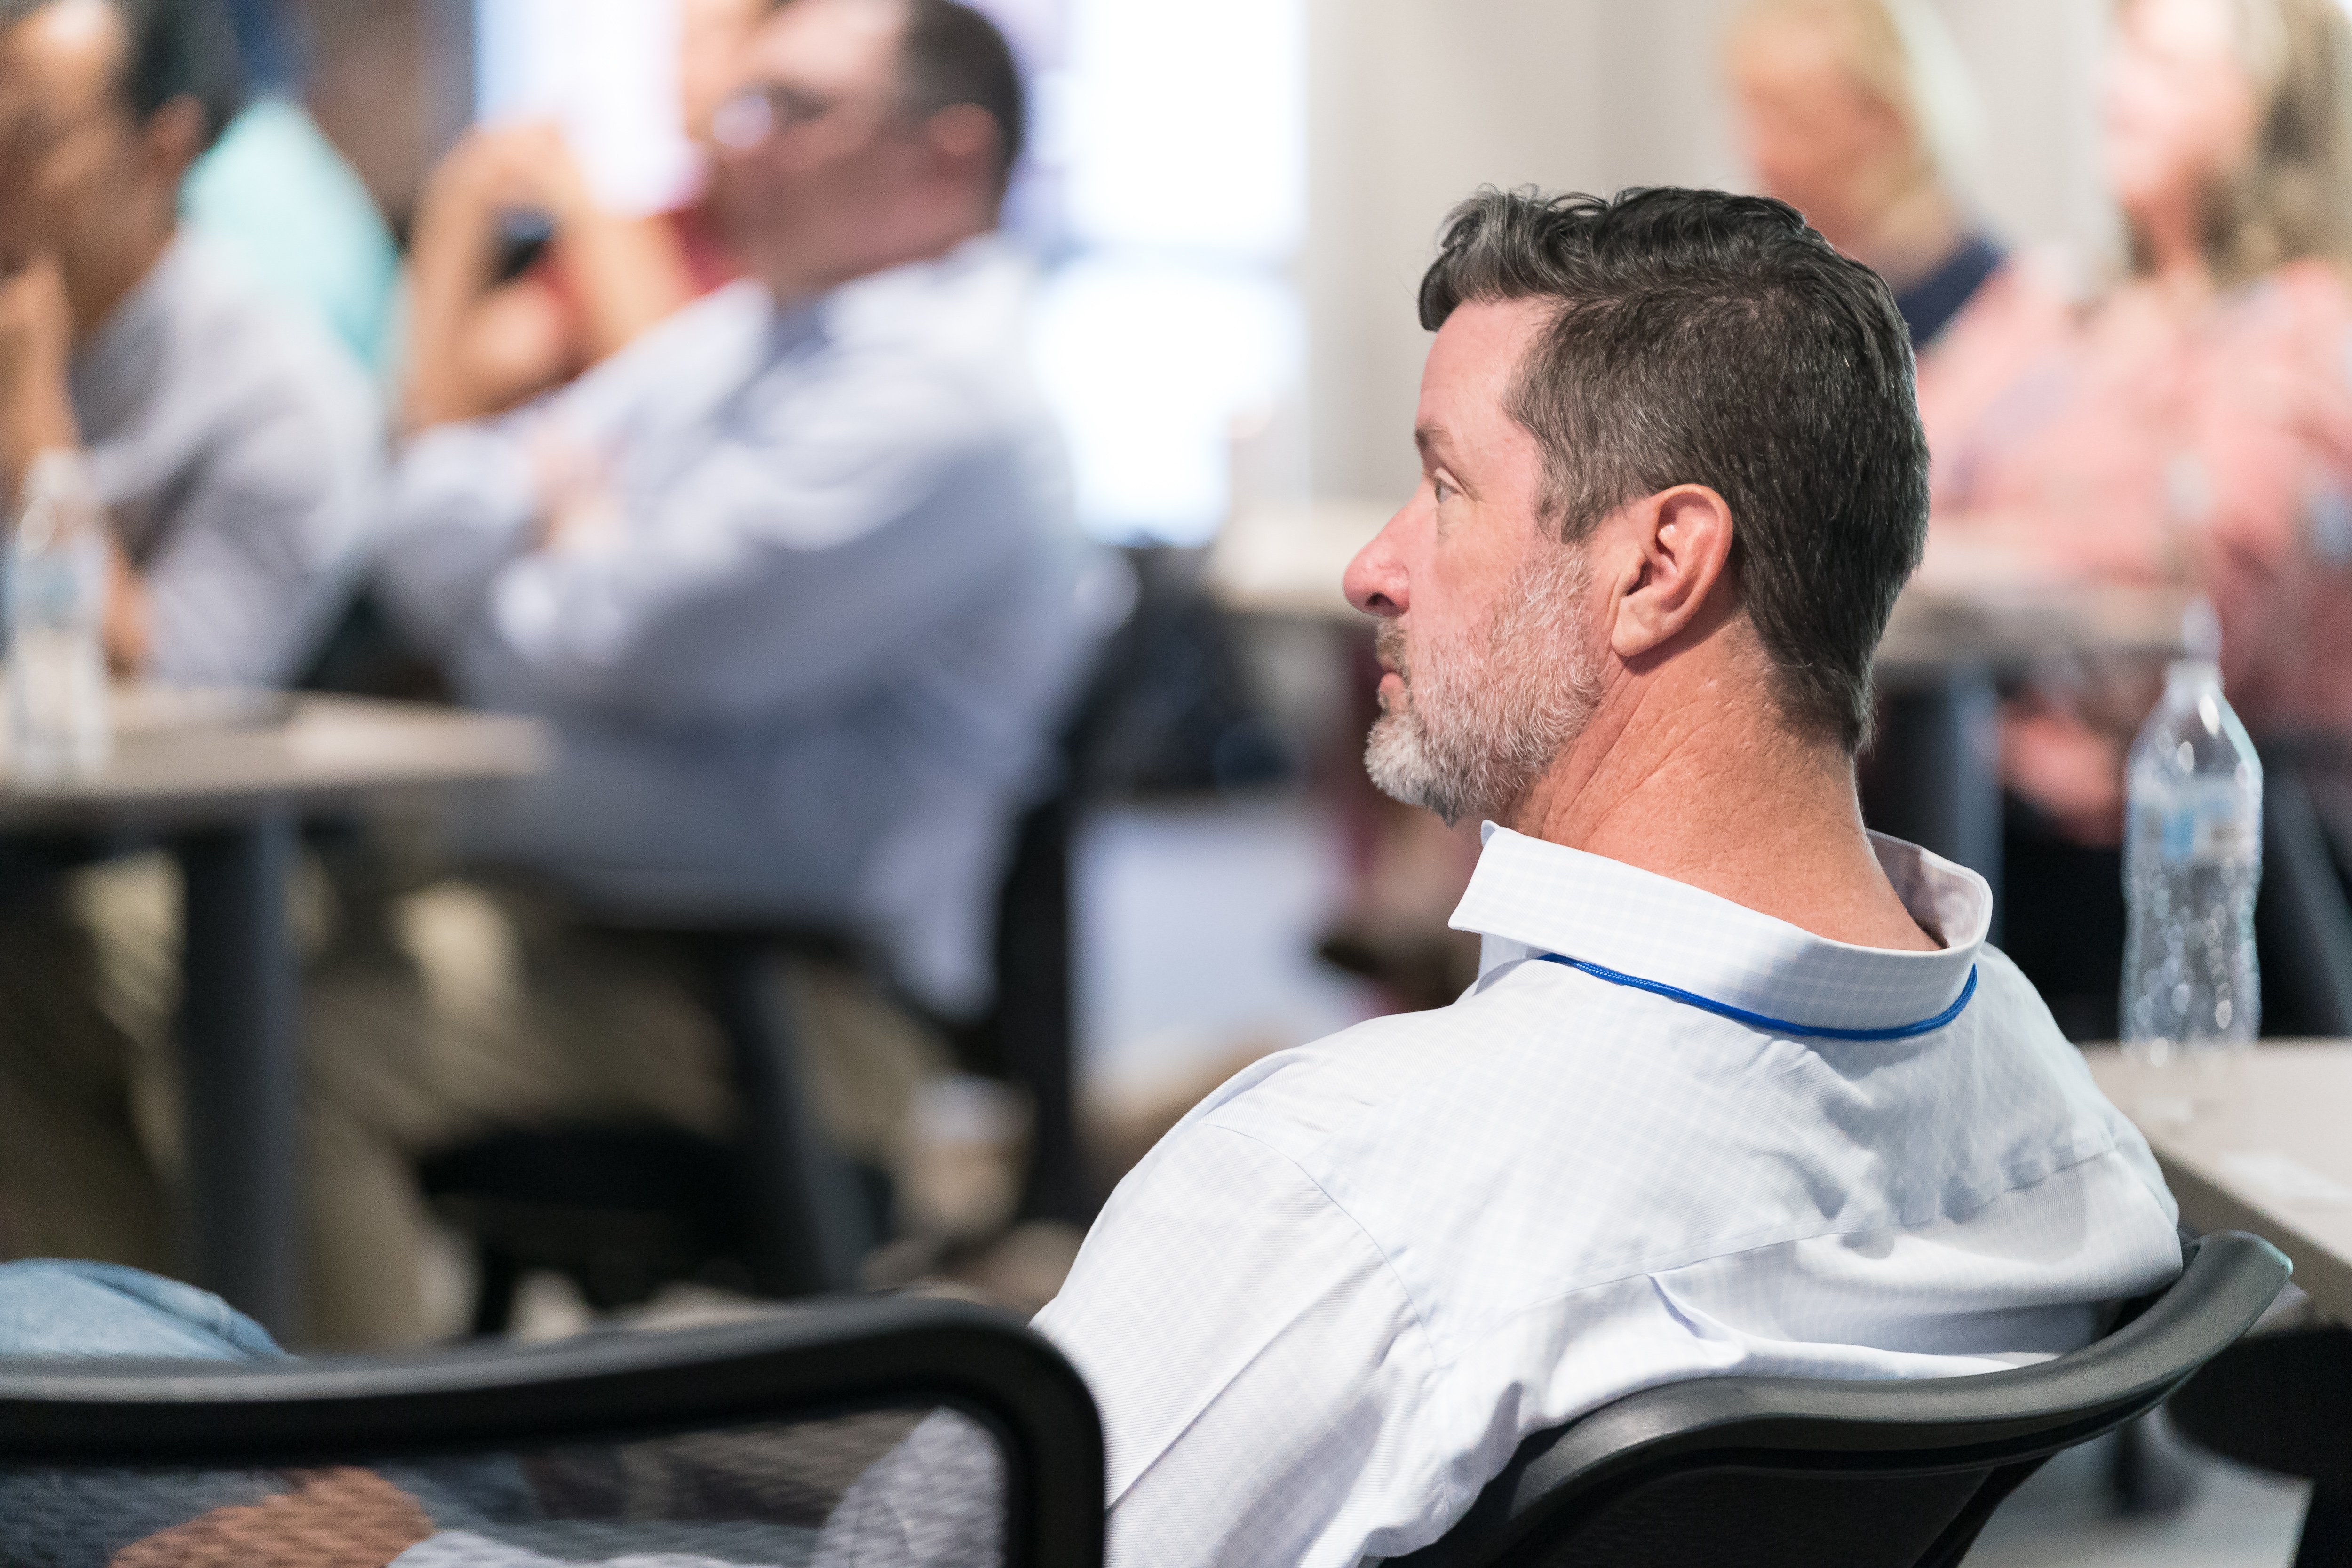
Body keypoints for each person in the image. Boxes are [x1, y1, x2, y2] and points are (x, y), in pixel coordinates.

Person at [0, 187, 2186, 1568]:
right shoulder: (2019, 1075)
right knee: (199, 1330)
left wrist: (367, 1544)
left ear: (1658, 563)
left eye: (1443, 488)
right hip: (1048, 1447)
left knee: (64, 1361)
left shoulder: (1363, 1185)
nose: (1370, 566)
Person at [263, 0, 1089, 1346]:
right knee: (69, 980)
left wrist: (568, 533)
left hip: (777, 1002)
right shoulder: (759, 333)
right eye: (737, 107)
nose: (731, 146)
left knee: (262, 1048)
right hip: (583, 920)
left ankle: (344, 1528)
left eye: (792, 112)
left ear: (944, 157)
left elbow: (634, 635)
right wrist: (575, 546)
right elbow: (417, 530)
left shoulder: (946, 399)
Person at [0, 0, 380, 1284]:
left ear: (159, 149)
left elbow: (157, 696)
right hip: (42, 853)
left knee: (80, 958)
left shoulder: (281, 392)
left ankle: (285, 1424)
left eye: (24, 135)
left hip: (237, 864)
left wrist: (34, 407)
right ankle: (117, 1414)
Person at [1919, 0, 2352, 1034]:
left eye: (2160, 65)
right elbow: (1874, 474)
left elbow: (2202, 594)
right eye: (2118, 56)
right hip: (1987, 803)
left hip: (2188, 860)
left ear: (2266, 107)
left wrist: (1970, 548)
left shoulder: (2303, 331)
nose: (2115, 89)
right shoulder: (2056, 300)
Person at [400, 0, 771, 430]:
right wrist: (456, 210)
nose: (681, 71)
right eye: (683, 44)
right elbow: (448, 403)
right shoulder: (663, 229)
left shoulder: (802, 241)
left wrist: (588, 213)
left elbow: (681, 414)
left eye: (716, 39)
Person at [1725, 0, 2001, 348]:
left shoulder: (2006, 322)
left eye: (1791, 122)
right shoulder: (1778, 301)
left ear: (1889, 122)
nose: (1759, 154)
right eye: (1752, 119)